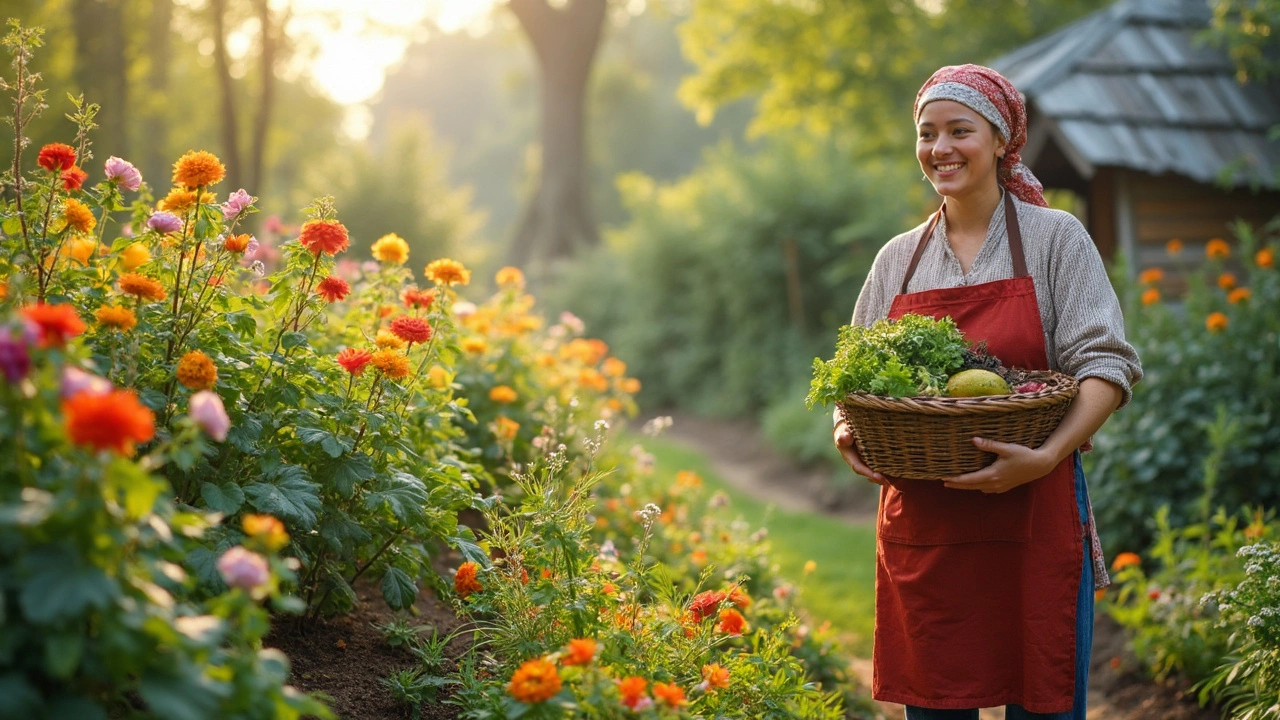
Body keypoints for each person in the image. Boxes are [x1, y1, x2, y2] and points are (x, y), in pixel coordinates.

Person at [832, 64, 1142, 720]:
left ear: (1002, 139)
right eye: (926, 133)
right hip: (928, 524)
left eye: (959, 130)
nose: (939, 147)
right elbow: (852, 375)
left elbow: (1106, 367)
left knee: (1044, 703)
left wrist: (1046, 456)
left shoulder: (1056, 239)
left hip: (1034, 510)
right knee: (937, 707)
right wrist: (844, 428)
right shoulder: (898, 258)